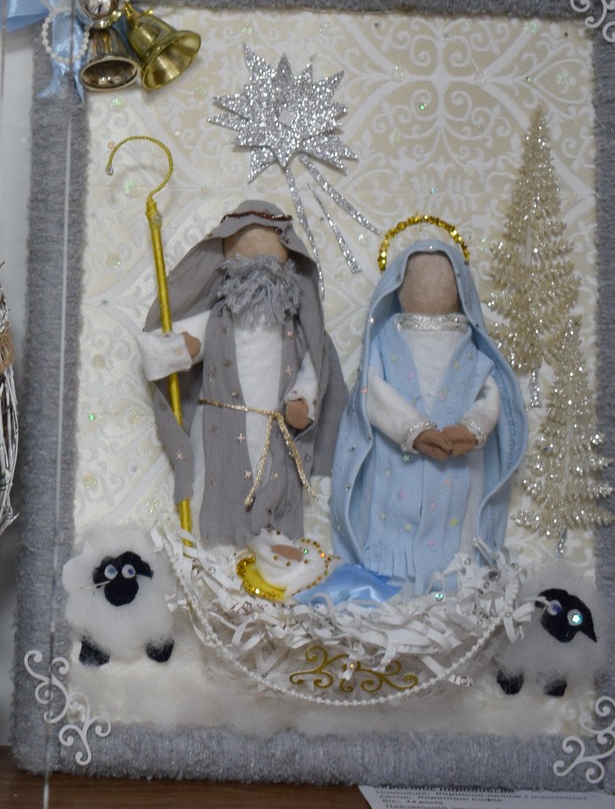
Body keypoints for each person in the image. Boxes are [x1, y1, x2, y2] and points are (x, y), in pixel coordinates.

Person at [138, 202, 347, 561]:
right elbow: (155, 351)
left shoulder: (297, 326)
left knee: (274, 485)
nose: (260, 267)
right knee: (216, 486)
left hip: (275, 428)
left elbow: (315, 363)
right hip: (219, 425)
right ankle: (213, 558)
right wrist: (182, 348)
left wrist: (304, 399)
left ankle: (272, 550)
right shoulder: (217, 318)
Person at [328, 236, 528, 588]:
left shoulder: (470, 346)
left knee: (455, 521)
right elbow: (371, 391)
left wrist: (472, 429)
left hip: (457, 467)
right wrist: (413, 429)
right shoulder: (385, 339)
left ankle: (451, 580)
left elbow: (490, 396)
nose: (431, 286)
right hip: (394, 462)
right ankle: (390, 576)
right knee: (391, 519)